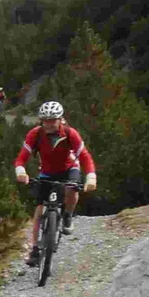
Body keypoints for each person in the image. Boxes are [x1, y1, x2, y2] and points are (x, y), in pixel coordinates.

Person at [12, 101, 97, 266]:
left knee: (72, 189)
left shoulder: (70, 133)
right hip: (47, 172)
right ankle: (35, 250)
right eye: (45, 120)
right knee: (39, 211)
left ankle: (67, 216)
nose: (49, 124)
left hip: (69, 168)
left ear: (61, 119)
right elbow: (21, 158)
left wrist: (91, 177)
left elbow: (85, 156)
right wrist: (21, 172)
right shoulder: (35, 134)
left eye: (53, 120)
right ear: (41, 121)